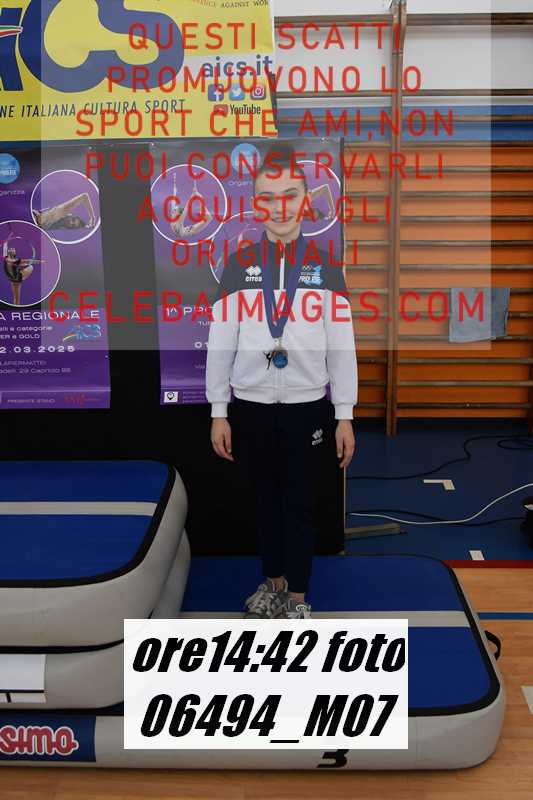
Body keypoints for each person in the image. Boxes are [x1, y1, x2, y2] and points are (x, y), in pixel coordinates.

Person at [206, 145, 358, 620]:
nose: (280, 207)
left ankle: (297, 599)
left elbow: (342, 345)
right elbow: (220, 341)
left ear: (305, 200)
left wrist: (344, 414)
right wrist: (218, 410)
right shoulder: (238, 265)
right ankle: (273, 584)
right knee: (264, 502)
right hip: (250, 406)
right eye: (268, 197)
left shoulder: (326, 267)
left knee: (300, 506)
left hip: (306, 407)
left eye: (290, 195)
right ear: (257, 204)